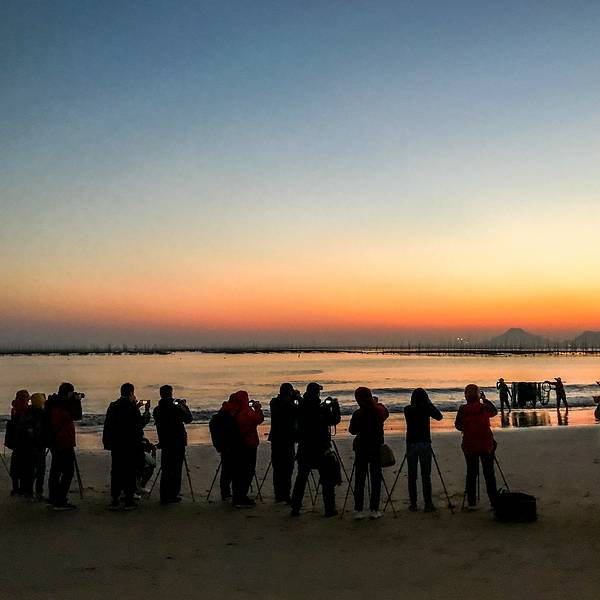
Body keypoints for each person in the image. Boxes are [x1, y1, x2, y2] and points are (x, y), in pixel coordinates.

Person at [290, 383, 341, 518]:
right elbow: (334, 420)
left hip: (304, 448)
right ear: (317, 394)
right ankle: (329, 509)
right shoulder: (321, 409)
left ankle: (295, 507)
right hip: (321, 448)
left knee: (301, 478)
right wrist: (335, 406)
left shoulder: (300, 407)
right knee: (327, 480)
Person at [102, 383, 150, 510]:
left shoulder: (113, 406)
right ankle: (129, 500)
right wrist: (146, 411)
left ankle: (115, 499)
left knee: (116, 471)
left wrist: (107, 442)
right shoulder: (131, 407)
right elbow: (139, 423)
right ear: (131, 393)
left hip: (116, 444)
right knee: (129, 472)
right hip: (130, 444)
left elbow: (108, 425)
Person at [455, 384, 498, 510]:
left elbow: (458, 425)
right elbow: (494, 411)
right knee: (489, 473)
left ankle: (472, 502)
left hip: (470, 444)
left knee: (471, 473)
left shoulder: (463, 409)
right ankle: (494, 502)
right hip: (486, 444)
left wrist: (467, 427)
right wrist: (485, 399)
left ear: (466, 395)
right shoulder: (484, 407)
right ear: (478, 394)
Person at [348, 387, 389, 519]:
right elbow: (386, 412)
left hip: (361, 448)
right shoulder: (378, 411)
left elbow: (352, 430)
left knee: (360, 479)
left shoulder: (358, 413)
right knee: (376, 478)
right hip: (375, 447)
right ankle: (374, 509)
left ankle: (358, 509)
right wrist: (376, 403)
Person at [220, 390, 264, 508]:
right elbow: (259, 419)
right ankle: (241, 497)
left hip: (235, 445)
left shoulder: (230, 410)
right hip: (248, 445)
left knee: (237, 472)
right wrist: (257, 408)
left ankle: (235, 495)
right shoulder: (245, 412)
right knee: (247, 472)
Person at [403, 388, 443, 512]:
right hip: (424, 442)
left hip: (411, 443)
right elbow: (439, 416)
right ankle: (428, 504)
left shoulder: (407, 409)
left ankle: (413, 504)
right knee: (426, 475)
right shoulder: (427, 408)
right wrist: (430, 403)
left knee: (412, 475)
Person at [45, 382, 83, 510]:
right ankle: (60, 500)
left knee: (55, 470)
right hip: (63, 441)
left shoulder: (52, 403)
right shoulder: (63, 405)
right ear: (68, 393)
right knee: (67, 472)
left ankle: (53, 498)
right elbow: (77, 415)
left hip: (54, 441)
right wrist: (77, 401)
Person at [152, 385, 193, 504]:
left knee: (166, 468)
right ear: (171, 393)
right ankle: (173, 494)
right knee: (176, 469)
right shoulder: (176, 407)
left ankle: (164, 495)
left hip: (165, 441)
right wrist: (184, 406)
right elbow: (189, 419)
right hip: (177, 441)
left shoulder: (157, 409)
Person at [268, 383, 298, 503]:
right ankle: (285, 494)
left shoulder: (274, 402)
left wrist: (292, 397)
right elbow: (297, 411)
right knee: (287, 468)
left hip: (276, 439)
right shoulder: (289, 405)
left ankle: (278, 494)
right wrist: (297, 398)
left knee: (278, 467)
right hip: (287, 439)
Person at [6, 390, 31, 497]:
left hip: (16, 442)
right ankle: (23, 489)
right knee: (25, 467)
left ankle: (16, 488)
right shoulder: (24, 409)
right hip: (23, 441)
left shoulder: (15, 408)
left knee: (16, 467)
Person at [27, 393, 48, 499]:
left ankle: (29, 491)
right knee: (40, 469)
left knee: (31, 469)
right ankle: (38, 492)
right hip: (39, 444)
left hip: (30, 445)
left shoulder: (27, 412)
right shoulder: (42, 414)